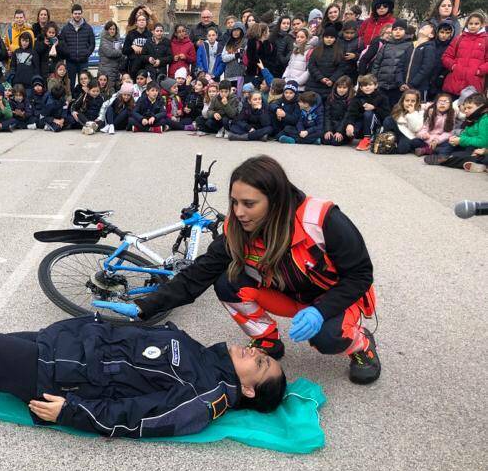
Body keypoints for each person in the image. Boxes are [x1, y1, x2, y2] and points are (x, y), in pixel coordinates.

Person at [110, 155, 380, 385]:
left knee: (327, 338)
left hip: (336, 297)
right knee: (227, 282)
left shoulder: (322, 219)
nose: (238, 212)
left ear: (275, 200)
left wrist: (321, 311)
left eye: (249, 204)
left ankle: (362, 345)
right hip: (290, 295)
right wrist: (145, 307)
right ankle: (267, 340)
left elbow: (360, 275)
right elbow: (198, 274)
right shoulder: (237, 229)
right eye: (234, 202)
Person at [0, 314, 286, 437]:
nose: (253, 351)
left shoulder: (206, 396)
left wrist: (72, 413)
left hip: (61, 377)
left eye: (259, 363)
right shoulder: (208, 359)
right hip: (68, 346)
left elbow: (140, 419)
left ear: (247, 388)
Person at [425, 92, 487, 167]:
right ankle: (444, 156)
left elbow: (483, 142)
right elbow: (465, 133)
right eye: (465, 108)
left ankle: (445, 159)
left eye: (469, 108)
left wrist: (461, 140)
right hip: (469, 146)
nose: (466, 111)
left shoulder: (485, 119)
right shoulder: (472, 118)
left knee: (459, 155)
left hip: (479, 149)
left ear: (481, 107)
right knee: (449, 145)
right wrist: (458, 139)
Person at [441, 12, 487, 97]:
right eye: (470, 23)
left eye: (476, 23)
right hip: (453, 83)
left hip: (473, 84)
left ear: (482, 25)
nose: (473, 26)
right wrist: (453, 66)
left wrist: (479, 71)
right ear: (467, 24)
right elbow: (446, 56)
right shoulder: (459, 39)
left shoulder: (486, 40)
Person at [371, 19, 414, 109]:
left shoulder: (410, 46)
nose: (397, 31)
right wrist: (374, 80)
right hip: (382, 84)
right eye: (395, 29)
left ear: (405, 31)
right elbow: (377, 64)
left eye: (401, 29)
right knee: (380, 108)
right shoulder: (386, 45)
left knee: (394, 109)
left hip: (397, 85)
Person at [345, 74, 390, 151]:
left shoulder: (382, 97)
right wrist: (350, 124)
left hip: (378, 123)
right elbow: (351, 113)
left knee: (368, 113)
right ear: (361, 88)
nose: (367, 87)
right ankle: (359, 136)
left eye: (370, 84)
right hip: (363, 121)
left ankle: (367, 139)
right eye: (364, 85)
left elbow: (387, 115)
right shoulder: (357, 98)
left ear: (376, 86)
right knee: (351, 132)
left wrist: (374, 108)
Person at [59, 4, 95, 87]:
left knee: (84, 84)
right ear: (72, 14)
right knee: (69, 84)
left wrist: (87, 53)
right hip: (70, 62)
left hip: (83, 61)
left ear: (82, 14)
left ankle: (83, 99)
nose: (77, 15)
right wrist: (67, 53)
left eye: (79, 13)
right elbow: (62, 43)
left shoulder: (88, 28)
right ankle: (71, 99)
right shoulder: (66, 28)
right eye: (75, 13)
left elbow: (92, 43)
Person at [381, 89, 425, 154]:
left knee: (403, 149)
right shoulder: (398, 109)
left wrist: (411, 113)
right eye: (407, 100)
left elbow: (415, 129)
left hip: (408, 134)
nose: (409, 103)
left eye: (413, 101)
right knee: (388, 119)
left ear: (417, 102)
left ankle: (395, 148)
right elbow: (391, 123)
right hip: (396, 133)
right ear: (403, 101)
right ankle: (386, 140)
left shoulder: (420, 112)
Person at [306, 26, 345, 98]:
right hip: (314, 84)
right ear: (323, 38)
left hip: (330, 86)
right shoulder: (316, 50)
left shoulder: (339, 52)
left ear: (335, 39)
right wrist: (320, 78)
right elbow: (311, 65)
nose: (329, 39)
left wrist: (332, 79)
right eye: (327, 37)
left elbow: (341, 68)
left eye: (331, 37)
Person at [414, 92, 454, 156]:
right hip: (428, 139)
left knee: (450, 144)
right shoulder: (431, 113)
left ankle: (427, 150)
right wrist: (423, 135)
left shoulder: (451, 115)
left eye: (446, 102)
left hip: (440, 140)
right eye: (440, 101)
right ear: (435, 104)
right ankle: (433, 150)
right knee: (415, 141)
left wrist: (437, 140)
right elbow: (424, 127)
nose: (442, 103)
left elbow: (448, 133)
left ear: (450, 105)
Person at [403, 23, 436, 100]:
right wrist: (400, 82)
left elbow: (426, 68)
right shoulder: (411, 46)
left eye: (428, 27)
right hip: (404, 87)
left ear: (431, 35)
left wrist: (412, 84)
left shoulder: (429, 48)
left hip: (419, 88)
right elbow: (401, 64)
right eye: (423, 26)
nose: (423, 27)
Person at [322, 75, 353, 146]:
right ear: (336, 87)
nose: (341, 90)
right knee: (326, 140)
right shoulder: (330, 98)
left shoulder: (351, 100)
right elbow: (327, 115)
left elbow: (346, 117)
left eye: (344, 88)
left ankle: (347, 139)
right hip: (332, 125)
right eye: (339, 87)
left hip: (342, 127)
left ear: (349, 88)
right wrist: (328, 130)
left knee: (335, 142)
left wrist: (339, 131)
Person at [123, 13, 151, 79]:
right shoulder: (131, 34)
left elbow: (153, 51)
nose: (141, 21)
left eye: (143, 20)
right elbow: (124, 51)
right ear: (136, 23)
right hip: (133, 65)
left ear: (146, 22)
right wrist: (132, 47)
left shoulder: (150, 35)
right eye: (139, 20)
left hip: (146, 65)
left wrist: (143, 49)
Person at [221, 22, 247, 88]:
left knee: (239, 95)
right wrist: (235, 55)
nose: (235, 32)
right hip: (229, 75)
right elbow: (224, 58)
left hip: (240, 74)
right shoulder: (229, 43)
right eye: (234, 30)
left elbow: (246, 57)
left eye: (237, 30)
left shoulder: (245, 42)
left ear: (242, 31)